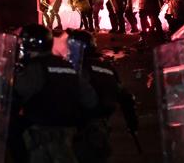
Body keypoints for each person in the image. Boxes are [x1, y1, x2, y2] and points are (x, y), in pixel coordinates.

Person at [11, 24, 97, 163]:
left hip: (41, 130)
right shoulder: (68, 66)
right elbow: (90, 100)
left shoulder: (36, 67)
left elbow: (18, 91)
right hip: (69, 130)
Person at [66, 29, 138, 163]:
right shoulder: (106, 66)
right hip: (102, 122)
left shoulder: (78, 67)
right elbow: (125, 96)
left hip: (82, 124)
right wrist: (132, 124)